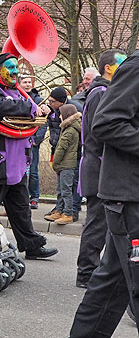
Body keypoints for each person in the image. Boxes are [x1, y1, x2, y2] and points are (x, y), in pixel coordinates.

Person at [69, 50, 139, 337]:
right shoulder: (136, 68)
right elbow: (106, 122)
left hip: (129, 196)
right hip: (131, 197)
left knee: (111, 286)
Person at [0, 53, 58, 260]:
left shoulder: (17, 92)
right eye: (10, 68)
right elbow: (1, 108)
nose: (15, 72)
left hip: (17, 163)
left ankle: (31, 245)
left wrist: (43, 109)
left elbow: (30, 109)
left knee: (21, 209)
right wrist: (31, 108)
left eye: (16, 68)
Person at [75, 48, 127, 289]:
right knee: (97, 223)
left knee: (104, 223)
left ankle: (96, 270)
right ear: (109, 67)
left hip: (98, 165)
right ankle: (86, 272)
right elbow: (101, 131)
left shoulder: (104, 91)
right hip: (97, 166)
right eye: (122, 64)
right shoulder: (100, 93)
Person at [45, 87, 82, 220]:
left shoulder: (70, 127)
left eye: (52, 101)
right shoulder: (56, 114)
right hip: (64, 158)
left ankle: (70, 211)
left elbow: (63, 148)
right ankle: (60, 210)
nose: (50, 103)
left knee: (68, 187)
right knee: (61, 188)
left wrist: (56, 162)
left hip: (69, 160)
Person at [19, 76, 49, 209]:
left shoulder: (37, 99)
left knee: (34, 170)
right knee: (20, 171)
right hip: (19, 140)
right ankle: (21, 197)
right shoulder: (17, 97)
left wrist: (37, 139)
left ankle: (34, 197)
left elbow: (44, 121)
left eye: (29, 82)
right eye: (24, 82)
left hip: (32, 141)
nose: (27, 85)